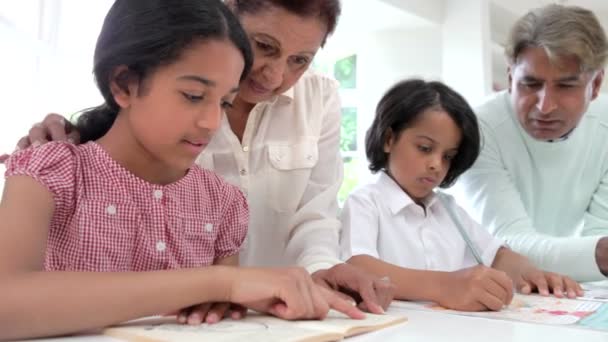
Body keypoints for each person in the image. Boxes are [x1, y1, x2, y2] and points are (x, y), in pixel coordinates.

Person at [1, 0, 394, 320]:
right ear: (123, 84)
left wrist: (255, 285)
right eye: (193, 95)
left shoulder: (221, 200)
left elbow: (314, 217)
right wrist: (220, 283)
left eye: (225, 101)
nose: (211, 122)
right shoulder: (51, 172)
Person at [340, 79, 582, 312]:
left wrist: (537, 277)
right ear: (389, 139)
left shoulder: (448, 208)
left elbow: (498, 256)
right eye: (425, 148)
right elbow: (358, 266)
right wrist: (445, 286)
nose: (436, 164)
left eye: (448, 156)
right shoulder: (365, 203)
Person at [453, 4, 608, 282]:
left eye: (565, 86)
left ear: (595, 85)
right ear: (511, 78)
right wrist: (596, 254)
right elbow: (507, 245)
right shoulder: (479, 129)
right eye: (530, 84)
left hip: (563, 290)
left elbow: (599, 239)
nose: (545, 106)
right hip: (482, 284)